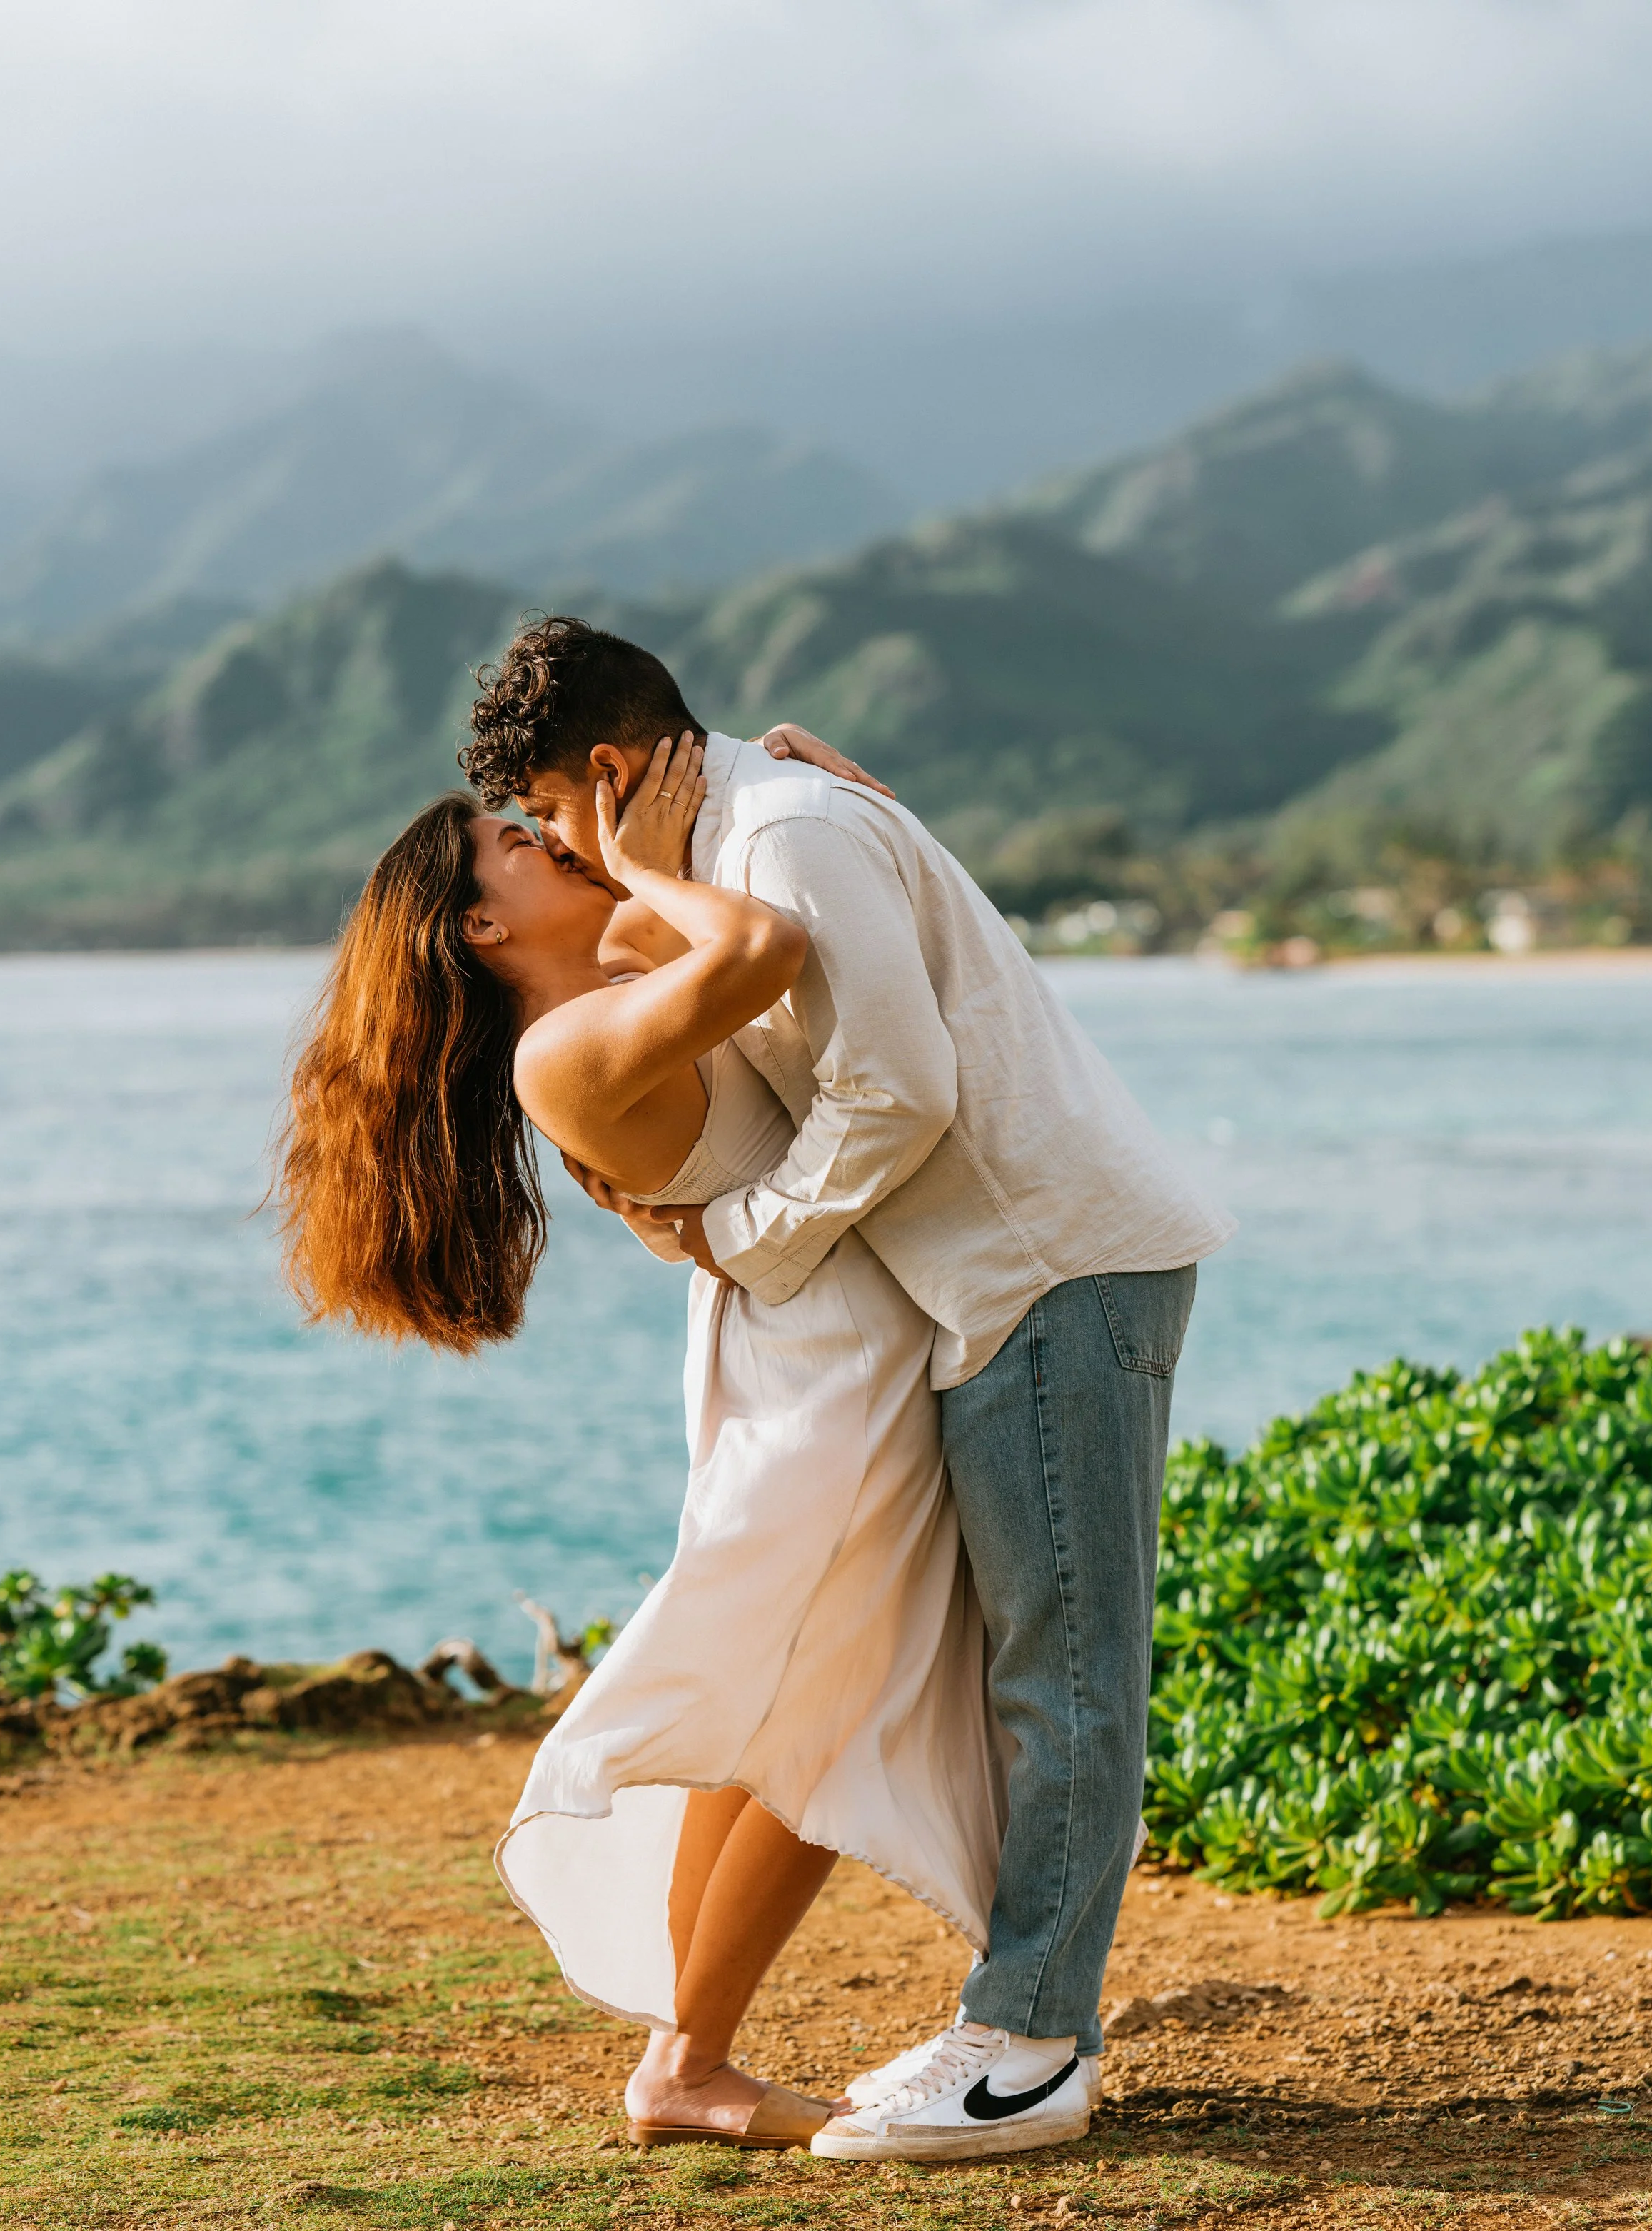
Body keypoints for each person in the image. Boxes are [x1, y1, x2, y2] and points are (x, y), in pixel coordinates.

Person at [462, 617, 1235, 2162]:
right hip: (985, 1280)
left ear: (608, 775)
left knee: (1062, 1664)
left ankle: (1024, 2045)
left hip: (1042, 1262)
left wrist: (740, 1234)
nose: (555, 845)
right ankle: (986, 2017)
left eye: (549, 813)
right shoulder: (770, 828)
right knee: (1006, 1666)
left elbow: (897, 1084)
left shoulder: (781, 832)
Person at [275, 744, 1007, 2155]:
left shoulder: (614, 986)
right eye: (509, 838)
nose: (540, 835)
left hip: (812, 1354)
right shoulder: (566, 1044)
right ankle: (687, 2060)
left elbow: (836, 923)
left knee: (778, 1716)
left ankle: (688, 2053)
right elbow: (773, 936)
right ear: (481, 925)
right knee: (816, 1724)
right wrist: (657, 855)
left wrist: (845, 805)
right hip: (825, 1376)